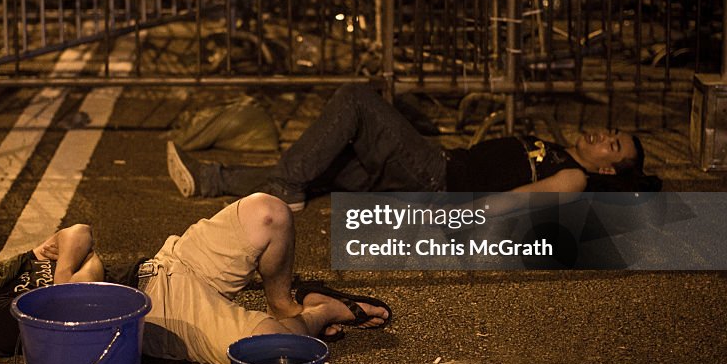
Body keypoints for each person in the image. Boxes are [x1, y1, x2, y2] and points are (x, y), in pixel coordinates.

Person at [0, 194, 391, 364]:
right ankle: (319, 313)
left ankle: (283, 300)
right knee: (271, 351)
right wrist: (79, 274)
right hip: (161, 313)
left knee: (268, 212)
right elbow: (96, 279)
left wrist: (62, 277)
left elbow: (78, 232)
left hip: (165, 263)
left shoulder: (4, 270)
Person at [167, 84, 654, 212]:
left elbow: (512, 204)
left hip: (439, 179)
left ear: (609, 172)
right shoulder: (559, 150)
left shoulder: (573, 177)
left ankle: (287, 186)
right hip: (435, 175)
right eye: (609, 131)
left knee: (356, 101)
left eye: (612, 146)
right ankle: (212, 179)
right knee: (325, 167)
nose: (600, 136)